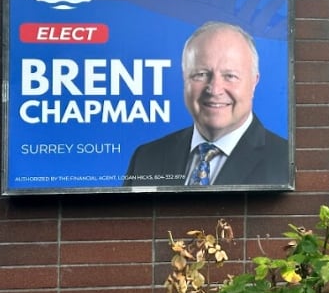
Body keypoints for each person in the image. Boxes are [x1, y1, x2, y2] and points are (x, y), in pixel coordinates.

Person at [123, 21, 289, 187]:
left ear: (254, 82)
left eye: (230, 76)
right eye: (201, 74)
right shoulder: (146, 157)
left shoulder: (285, 161)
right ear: (185, 78)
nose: (215, 89)